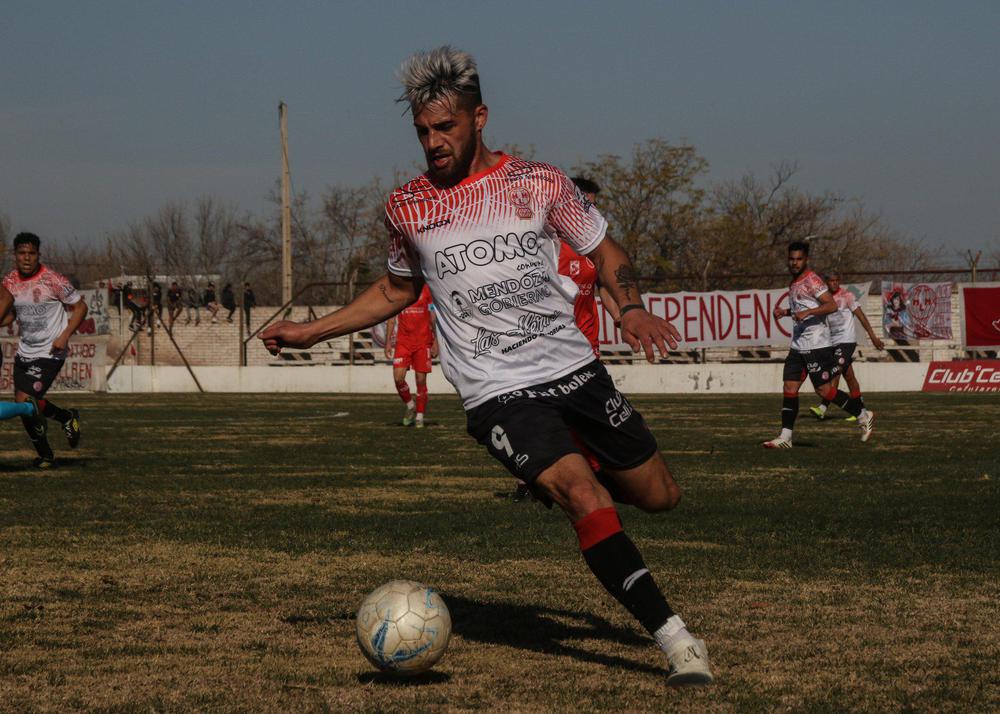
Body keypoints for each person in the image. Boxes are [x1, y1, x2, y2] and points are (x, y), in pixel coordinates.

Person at [260, 46, 713, 686]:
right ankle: (678, 642)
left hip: (576, 372)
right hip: (498, 392)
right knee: (582, 496)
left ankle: (587, 481)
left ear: (480, 119)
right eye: (422, 131)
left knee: (660, 496)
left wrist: (630, 306)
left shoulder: (539, 182)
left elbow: (603, 248)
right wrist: (313, 330)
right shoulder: (407, 208)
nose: (433, 142)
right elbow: (396, 290)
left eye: (445, 127)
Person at [763, 242, 873, 449]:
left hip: (816, 344)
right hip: (798, 344)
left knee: (823, 391)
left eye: (799, 259)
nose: (794, 263)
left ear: (806, 260)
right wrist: (785, 313)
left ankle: (862, 414)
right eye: (791, 259)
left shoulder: (813, 280)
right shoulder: (794, 282)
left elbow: (830, 305)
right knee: (789, 387)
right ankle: (785, 437)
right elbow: (803, 308)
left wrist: (808, 313)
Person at [1, 233, 87, 468]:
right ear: (15, 255)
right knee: (26, 405)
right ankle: (61, 427)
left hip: (51, 352)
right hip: (24, 352)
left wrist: (64, 335)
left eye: (31, 253)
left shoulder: (52, 280)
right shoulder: (9, 282)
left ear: (38, 255)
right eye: (22, 253)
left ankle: (50, 448)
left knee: (26, 399)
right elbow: (8, 313)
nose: (26, 258)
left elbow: (80, 307)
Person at [809, 272, 884, 422]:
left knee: (835, 372)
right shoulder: (824, 300)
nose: (835, 283)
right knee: (849, 376)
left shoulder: (847, 296)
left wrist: (873, 337)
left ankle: (822, 408)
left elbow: (861, 316)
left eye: (837, 280)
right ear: (826, 283)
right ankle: (860, 410)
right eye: (832, 280)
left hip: (847, 341)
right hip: (833, 342)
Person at [383, 284, 437, 427]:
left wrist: (435, 341)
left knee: (420, 380)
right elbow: (391, 318)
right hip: (403, 342)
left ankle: (419, 416)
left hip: (423, 342)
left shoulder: (426, 289)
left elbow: (432, 315)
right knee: (398, 378)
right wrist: (388, 342)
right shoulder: (400, 291)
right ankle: (410, 405)